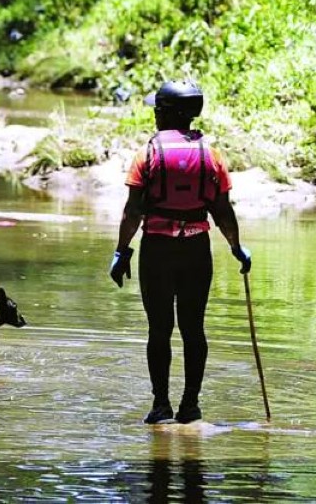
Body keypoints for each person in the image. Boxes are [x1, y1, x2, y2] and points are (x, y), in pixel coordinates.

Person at [108, 81, 251, 424]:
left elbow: (133, 211)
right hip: (196, 252)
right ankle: (190, 406)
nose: (155, 115)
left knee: (159, 329)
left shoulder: (147, 154)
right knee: (193, 328)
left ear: (168, 114)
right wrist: (235, 247)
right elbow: (223, 210)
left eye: (158, 110)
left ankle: (161, 405)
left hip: (157, 252)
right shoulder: (211, 155)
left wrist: (122, 251)